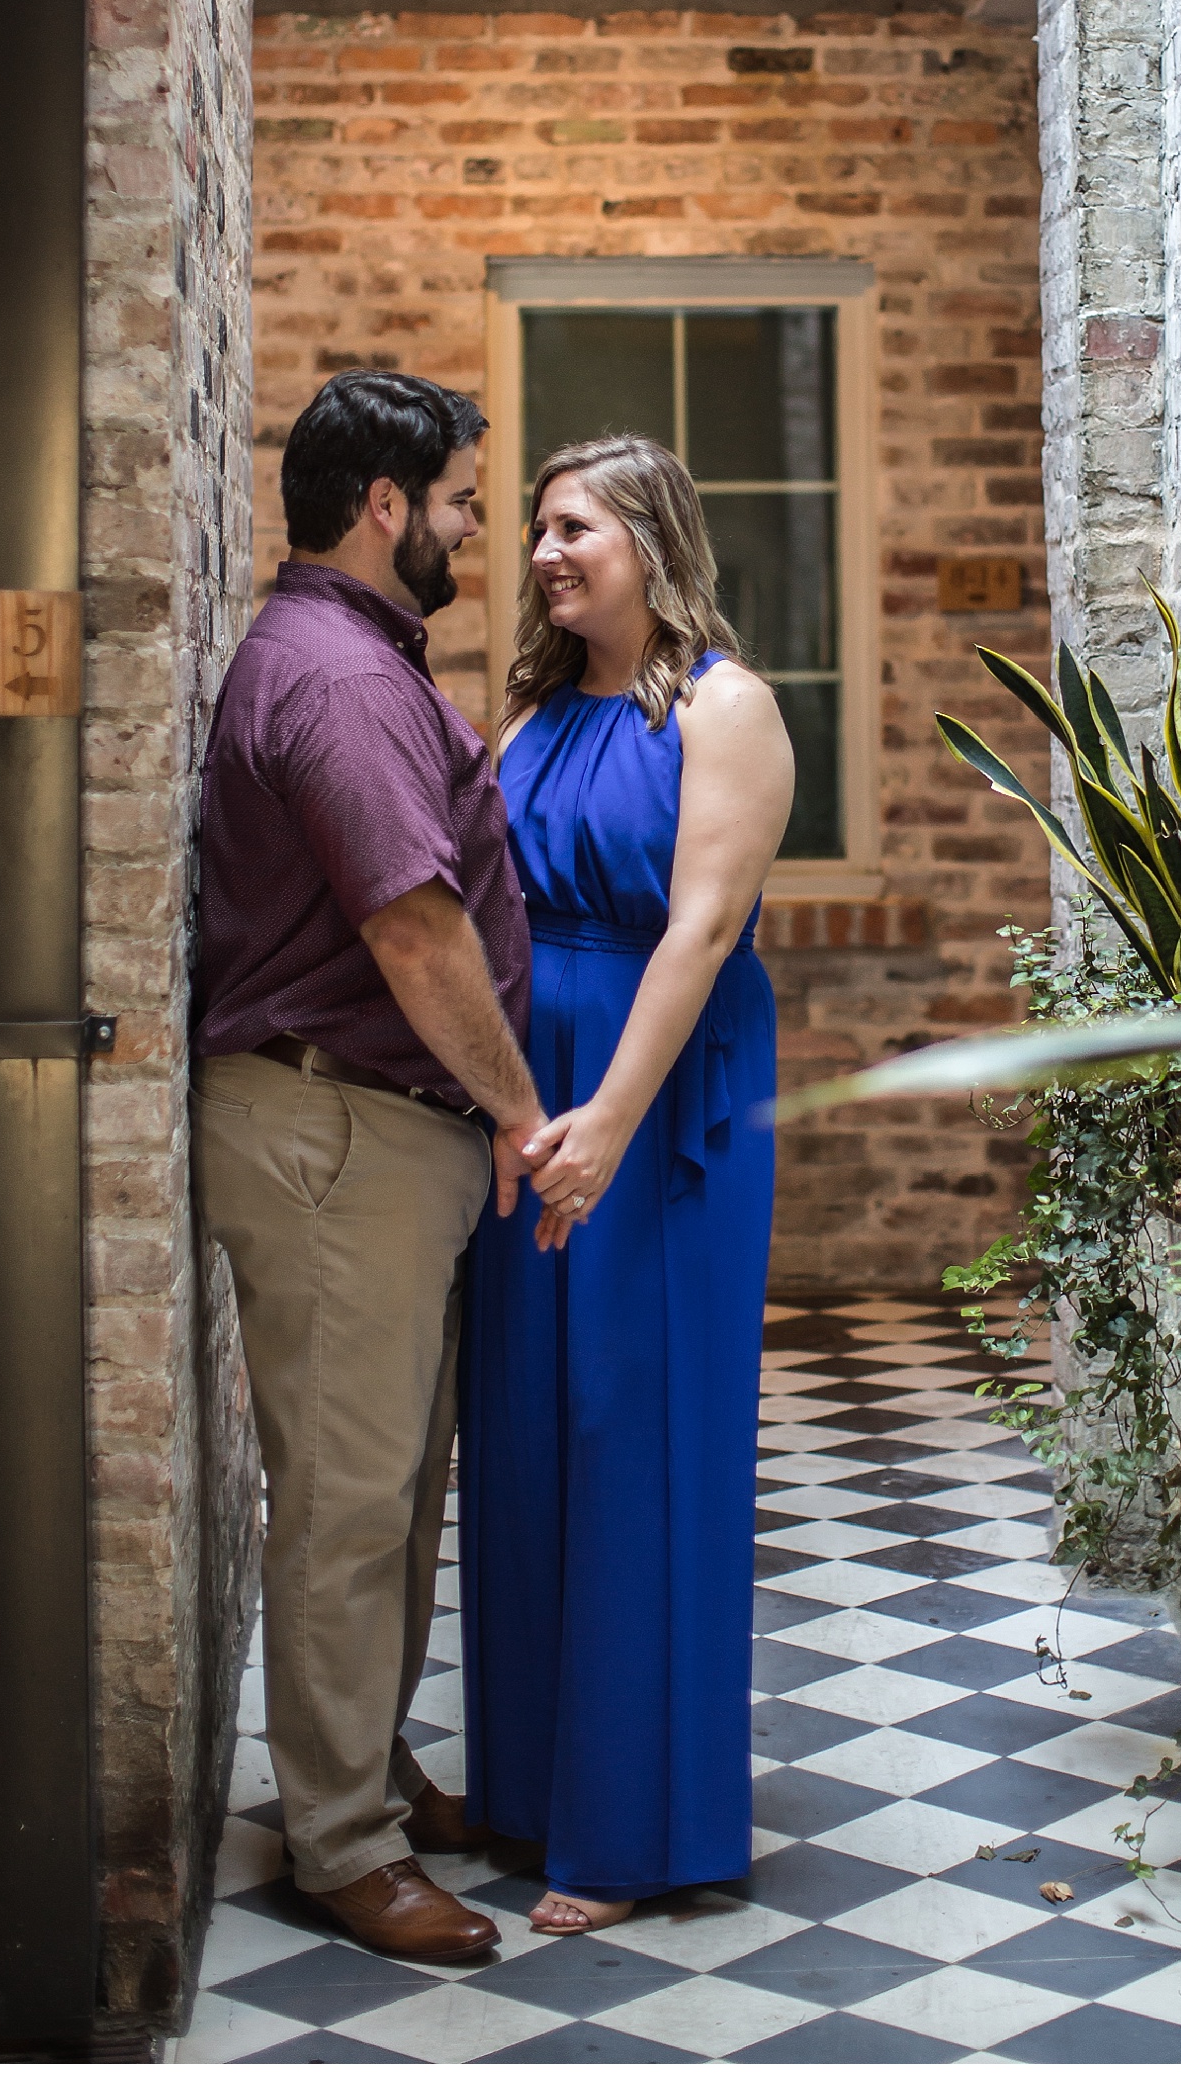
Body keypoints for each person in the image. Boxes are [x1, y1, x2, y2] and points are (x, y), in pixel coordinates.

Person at [191, 371, 547, 1966]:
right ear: (388, 503)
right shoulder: (335, 680)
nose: (479, 522)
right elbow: (413, 926)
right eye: (466, 497)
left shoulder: (351, 657)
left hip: (372, 1130)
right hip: (337, 1128)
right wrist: (527, 1113)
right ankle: (340, 1837)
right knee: (347, 1502)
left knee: (393, 1495)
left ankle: (367, 1765)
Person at [460, 434, 794, 1934]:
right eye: (536, 526)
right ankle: (530, 1791)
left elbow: (704, 929)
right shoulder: (531, 709)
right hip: (532, 1095)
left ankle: (635, 1823)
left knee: (634, 1426)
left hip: (656, 1103)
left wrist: (606, 1117)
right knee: (525, 1428)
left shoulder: (730, 710)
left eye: (573, 525)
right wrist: (504, 1100)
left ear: (652, 537)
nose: (544, 550)